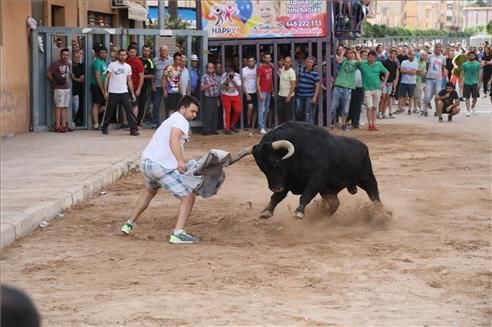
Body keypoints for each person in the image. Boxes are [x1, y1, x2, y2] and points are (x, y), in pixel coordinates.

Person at [121, 95, 201, 244]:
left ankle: (129, 224)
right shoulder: (181, 120)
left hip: (146, 163)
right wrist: (180, 161)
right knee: (189, 196)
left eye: (196, 113)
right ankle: (178, 233)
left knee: (150, 191)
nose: (194, 115)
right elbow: (174, 139)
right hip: (160, 167)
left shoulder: (171, 119)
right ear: (182, 108)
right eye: (192, 111)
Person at [102, 49, 139, 136]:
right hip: (113, 92)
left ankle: (133, 129)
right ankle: (105, 126)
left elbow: (129, 80)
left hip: (124, 92)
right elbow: (106, 78)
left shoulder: (128, 67)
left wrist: (132, 93)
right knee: (110, 110)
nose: (123, 56)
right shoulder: (112, 65)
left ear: (126, 56)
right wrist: (105, 91)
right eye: (121, 55)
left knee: (129, 110)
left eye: (124, 55)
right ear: (118, 55)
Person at [359, 50, 389, 131]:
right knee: (369, 107)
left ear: (375, 58)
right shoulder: (363, 64)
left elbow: (387, 72)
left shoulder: (378, 64)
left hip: (377, 89)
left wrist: (384, 83)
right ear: (367, 57)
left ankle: (373, 124)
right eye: (369, 57)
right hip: (367, 89)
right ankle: (369, 124)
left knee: (375, 107)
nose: (371, 59)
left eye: (372, 57)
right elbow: (358, 61)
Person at [331, 48, 360, 131]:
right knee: (333, 107)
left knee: (345, 109)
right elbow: (339, 61)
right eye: (348, 53)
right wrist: (342, 53)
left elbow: (360, 62)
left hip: (348, 88)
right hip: (338, 86)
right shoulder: (343, 59)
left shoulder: (354, 62)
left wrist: (356, 52)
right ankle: (332, 123)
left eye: (351, 53)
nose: (350, 54)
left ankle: (343, 124)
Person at [47, 48, 72, 133]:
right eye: (64, 54)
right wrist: (54, 82)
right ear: (60, 55)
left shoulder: (68, 64)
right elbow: (49, 74)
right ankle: (57, 126)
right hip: (59, 88)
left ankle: (64, 125)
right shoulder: (56, 64)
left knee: (65, 106)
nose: (65, 56)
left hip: (66, 87)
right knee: (58, 107)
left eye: (67, 55)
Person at [296, 56, 321, 125]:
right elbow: (297, 80)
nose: (309, 63)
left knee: (308, 113)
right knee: (298, 110)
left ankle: (308, 127)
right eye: (308, 62)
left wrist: (315, 97)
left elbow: (317, 86)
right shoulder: (301, 70)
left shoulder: (315, 73)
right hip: (300, 95)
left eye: (311, 62)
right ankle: (302, 124)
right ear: (305, 63)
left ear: (313, 64)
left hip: (309, 96)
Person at [126, 45, 144, 128]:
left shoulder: (138, 62)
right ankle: (125, 123)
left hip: (135, 87)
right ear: (128, 52)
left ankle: (134, 123)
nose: (132, 53)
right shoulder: (125, 61)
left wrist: (139, 89)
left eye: (134, 52)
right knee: (125, 105)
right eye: (131, 52)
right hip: (125, 87)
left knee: (135, 105)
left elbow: (141, 77)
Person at [424, 43, 447, 111]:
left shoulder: (443, 58)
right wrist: (428, 73)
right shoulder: (430, 56)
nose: (438, 49)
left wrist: (445, 76)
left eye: (439, 47)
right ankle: (425, 109)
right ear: (435, 48)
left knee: (437, 96)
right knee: (428, 95)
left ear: (441, 49)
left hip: (438, 79)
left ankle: (437, 110)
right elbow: (427, 66)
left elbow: (443, 68)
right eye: (436, 47)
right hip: (429, 78)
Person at [200, 62, 221, 135]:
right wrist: (209, 84)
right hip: (208, 98)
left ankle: (213, 129)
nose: (210, 69)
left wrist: (218, 99)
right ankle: (206, 130)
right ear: (206, 68)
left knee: (214, 114)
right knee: (207, 114)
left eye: (212, 67)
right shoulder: (204, 77)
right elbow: (202, 88)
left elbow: (217, 88)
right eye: (209, 67)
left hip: (215, 97)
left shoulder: (215, 76)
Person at [220, 66, 242, 134]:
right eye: (228, 74)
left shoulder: (236, 76)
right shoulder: (224, 76)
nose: (230, 75)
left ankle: (232, 125)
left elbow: (239, 86)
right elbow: (223, 88)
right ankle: (227, 128)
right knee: (227, 112)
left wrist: (233, 80)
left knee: (238, 110)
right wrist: (227, 80)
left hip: (235, 94)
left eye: (231, 74)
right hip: (226, 95)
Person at [90, 46, 107, 129]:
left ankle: (93, 117)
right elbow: (97, 77)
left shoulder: (104, 62)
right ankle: (96, 124)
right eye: (101, 53)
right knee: (96, 104)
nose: (103, 54)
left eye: (105, 53)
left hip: (104, 86)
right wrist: (103, 90)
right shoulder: (97, 62)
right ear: (98, 54)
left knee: (106, 105)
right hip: (97, 86)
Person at [256, 52, 274, 134]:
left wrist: (272, 90)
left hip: (269, 91)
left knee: (266, 109)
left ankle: (263, 125)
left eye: (269, 58)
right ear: (263, 58)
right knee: (261, 110)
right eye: (266, 57)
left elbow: (271, 80)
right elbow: (257, 81)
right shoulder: (260, 68)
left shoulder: (271, 66)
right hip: (262, 91)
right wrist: (259, 93)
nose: (267, 59)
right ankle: (261, 127)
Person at [138, 44, 155, 127]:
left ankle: (139, 123)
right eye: (144, 50)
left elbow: (152, 75)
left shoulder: (150, 62)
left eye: (148, 51)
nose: (146, 52)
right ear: (142, 51)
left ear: (150, 52)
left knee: (142, 104)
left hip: (145, 87)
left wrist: (142, 76)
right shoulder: (138, 60)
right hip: (135, 85)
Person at [379, 47, 399, 118]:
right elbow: (380, 73)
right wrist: (384, 81)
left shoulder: (395, 63)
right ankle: (380, 112)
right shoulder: (385, 62)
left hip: (390, 83)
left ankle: (384, 112)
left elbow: (395, 74)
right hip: (384, 82)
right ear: (389, 54)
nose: (393, 55)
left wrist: (394, 82)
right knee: (383, 97)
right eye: (392, 53)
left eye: (395, 54)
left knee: (388, 97)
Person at [398, 49, 418, 115]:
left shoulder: (415, 63)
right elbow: (401, 70)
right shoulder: (404, 62)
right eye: (411, 55)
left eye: (413, 55)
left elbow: (414, 72)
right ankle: (399, 108)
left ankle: (410, 109)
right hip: (403, 81)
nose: (412, 56)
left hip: (412, 82)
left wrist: (406, 71)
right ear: (408, 55)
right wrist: (410, 71)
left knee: (411, 96)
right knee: (401, 96)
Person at [162, 52, 183, 117]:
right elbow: (163, 79)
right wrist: (164, 90)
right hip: (169, 91)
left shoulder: (180, 69)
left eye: (179, 59)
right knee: (170, 109)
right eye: (177, 59)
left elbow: (179, 80)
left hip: (177, 92)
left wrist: (180, 90)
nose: (178, 61)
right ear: (174, 59)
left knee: (177, 109)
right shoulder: (168, 68)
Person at [278, 56, 297, 125]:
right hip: (281, 94)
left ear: (291, 63)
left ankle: (289, 129)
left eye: (288, 62)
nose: (287, 63)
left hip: (288, 96)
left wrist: (289, 96)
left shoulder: (291, 72)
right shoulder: (282, 69)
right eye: (286, 62)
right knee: (281, 112)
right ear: (284, 62)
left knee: (288, 114)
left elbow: (293, 85)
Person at [462, 51, 481, 117]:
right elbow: (462, 73)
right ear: (468, 56)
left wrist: (479, 82)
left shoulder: (478, 64)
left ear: (475, 56)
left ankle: (473, 106)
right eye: (470, 55)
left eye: (473, 55)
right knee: (467, 97)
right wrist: (461, 82)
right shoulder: (465, 64)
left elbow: (479, 73)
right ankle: (468, 111)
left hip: (474, 82)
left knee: (475, 97)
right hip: (467, 82)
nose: (471, 56)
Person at [241, 55, 258, 131]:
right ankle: (248, 123)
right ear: (247, 62)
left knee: (255, 109)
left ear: (255, 61)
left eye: (252, 61)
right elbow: (242, 83)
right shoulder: (244, 70)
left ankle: (253, 125)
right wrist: (247, 94)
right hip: (248, 92)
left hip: (256, 92)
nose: (251, 62)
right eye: (249, 61)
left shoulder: (257, 68)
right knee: (250, 107)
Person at [71, 50, 85, 127]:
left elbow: (82, 80)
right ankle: (70, 121)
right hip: (68, 90)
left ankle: (73, 120)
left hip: (76, 91)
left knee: (76, 108)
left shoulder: (81, 66)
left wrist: (73, 78)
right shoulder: (69, 66)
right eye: (75, 57)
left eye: (78, 57)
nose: (77, 58)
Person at [415, 50, 428, 116]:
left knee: (422, 96)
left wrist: (420, 72)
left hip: (422, 81)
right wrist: (420, 71)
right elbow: (415, 70)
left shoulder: (425, 63)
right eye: (422, 55)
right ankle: (418, 108)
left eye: (425, 55)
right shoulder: (416, 61)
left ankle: (422, 109)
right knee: (417, 95)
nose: (423, 56)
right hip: (416, 80)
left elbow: (423, 72)